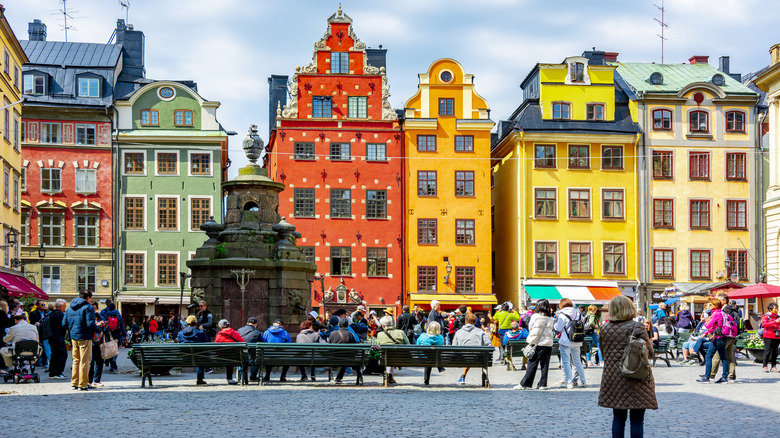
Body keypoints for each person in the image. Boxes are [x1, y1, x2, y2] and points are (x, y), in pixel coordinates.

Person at [598, 295, 657, 438]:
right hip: (636, 375)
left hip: (613, 377)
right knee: (637, 421)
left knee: (618, 418)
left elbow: (603, 352)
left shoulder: (604, 328)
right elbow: (649, 353)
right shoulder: (637, 327)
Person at [63, 290, 107, 390]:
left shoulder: (70, 308)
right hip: (85, 337)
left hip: (74, 337)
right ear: (88, 298)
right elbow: (90, 324)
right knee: (85, 361)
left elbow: (64, 323)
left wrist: (72, 330)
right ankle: (83, 384)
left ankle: (74, 382)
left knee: (76, 360)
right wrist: (99, 330)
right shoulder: (88, 307)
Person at [515, 300, 555, 390]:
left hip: (537, 342)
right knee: (545, 364)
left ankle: (526, 384)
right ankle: (542, 384)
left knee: (532, 363)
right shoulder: (550, 318)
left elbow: (531, 327)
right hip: (548, 343)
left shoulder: (535, 316)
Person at [554, 298, 587, 389]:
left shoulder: (562, 314)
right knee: (578, 362)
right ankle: (583, 381)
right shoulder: (578, 313)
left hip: (566, 340)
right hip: (577, 339)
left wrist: (554, 325)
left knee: (566, 362)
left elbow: (558, 328)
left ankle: (569, 382)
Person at [697, 298, 730, 383]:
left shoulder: (716, 314)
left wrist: (705, 320)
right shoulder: (723, 313)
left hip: (718, 338)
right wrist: (707, 333)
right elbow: (717, 327)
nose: (709, 306)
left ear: (715, 305)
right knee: (724, 358)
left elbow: (708, 325)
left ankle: (707, 377)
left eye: (711, 304)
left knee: (708, 356)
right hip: (724, 337)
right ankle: (724, 377)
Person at [452, 313, 491, 385]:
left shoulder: (458, 332)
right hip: (477, 359)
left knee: (466, 355)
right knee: (472, 354)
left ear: (465, 321)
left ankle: (463, 376)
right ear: (475, 322)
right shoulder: (480, 332)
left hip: (461, 359)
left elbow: (454, 346)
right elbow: (489, 343)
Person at [709, 292, 739, 382]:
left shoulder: (726, 310)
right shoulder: (733, 309)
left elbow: (720, 323)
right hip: (732, 334)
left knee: (717, 355)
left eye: (719, 300)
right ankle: (731, 375)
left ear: (724, 300)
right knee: (729, 356)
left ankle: (711, 375)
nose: (716, 301)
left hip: (725, 335)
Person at [376, 315, 409, 385]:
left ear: (383, 326)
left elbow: (378, 347)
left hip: (386, 359)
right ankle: (390, 376)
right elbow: (408, 345)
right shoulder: (401, 332)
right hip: (400, 359)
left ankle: (389, 375)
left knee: (387, 355)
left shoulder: (380, 334)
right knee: (391, 355)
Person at [176, 315, 210, 385]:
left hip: (184, 358)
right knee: (200, 355)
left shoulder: (180, 333)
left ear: (187, 324)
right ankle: (200, 379)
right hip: (198, 357)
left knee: (198, 355)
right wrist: (202, 331)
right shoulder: (201, 333)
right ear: (197, 324)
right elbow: (207, 343)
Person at [214, 319, 244, 384]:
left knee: (227, 356)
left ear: (221, 327)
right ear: (229, 325)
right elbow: (243, 343)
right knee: (231, 357)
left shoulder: (219, 335)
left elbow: (215, 347)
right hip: (235, 358)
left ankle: (200, 379)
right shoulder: (235, 333)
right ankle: (230, 379)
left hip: (221, 358)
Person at [328, 317, 357, 383]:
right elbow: (355, 347)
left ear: (338, 325)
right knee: (345, 358)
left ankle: (336, 377)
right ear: (347, 325)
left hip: (334, 357)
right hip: (346, 358)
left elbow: (329, 346)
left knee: (343, 357)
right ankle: (339, 378)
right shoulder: (350, 334)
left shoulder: (332, 333)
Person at [416, 321, 444, 385]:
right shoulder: (440, 338)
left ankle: (426, 379)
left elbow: (417, 345)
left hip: (422, 358)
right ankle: (439, 367)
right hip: (435, 359)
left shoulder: (422, 336)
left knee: (428, 358)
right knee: (432, 356)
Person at [100, 300, 124, 373]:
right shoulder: (117, 313)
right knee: (115, 348)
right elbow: (121, 324)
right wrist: (124, 334)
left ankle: (108, 360)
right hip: (116, 333)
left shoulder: (104, 313)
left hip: (108, 333)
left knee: (108, 346)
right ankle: (113, 360)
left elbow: (102, 322)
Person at [47, 299, 68, 379]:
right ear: (61, 306)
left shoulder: (52, 313)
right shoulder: (60, 315)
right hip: (58, 337)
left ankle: (52, 373)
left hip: (52, 337)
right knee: (62, 355)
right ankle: (58, 372)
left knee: (54, 355)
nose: (65, 307)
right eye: (65, 305)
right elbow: (64, 325)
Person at [88, 302, 106, 388]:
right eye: (92, 308)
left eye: (95, 308)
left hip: (99, 342)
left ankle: (97, 380)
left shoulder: (100, 317)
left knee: (99, 361)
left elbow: (104, 330)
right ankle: (89, 381)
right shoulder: (88, 316)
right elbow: (87, 327)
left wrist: (104, 327)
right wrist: (97, 325)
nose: (94, 310)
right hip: (90, 341)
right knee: (90, 362)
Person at [761, 302, 780, 373]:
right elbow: (765, 324)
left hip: (776, 336)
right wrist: (775, 322)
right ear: (770, 309)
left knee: (775, 352)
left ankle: (773, 366)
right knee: (767, 351)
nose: (776, 310)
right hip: (768, 336)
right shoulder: (766, 316)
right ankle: (765, 366)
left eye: (777, 308)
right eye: (775, 308)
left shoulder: (777, 316)